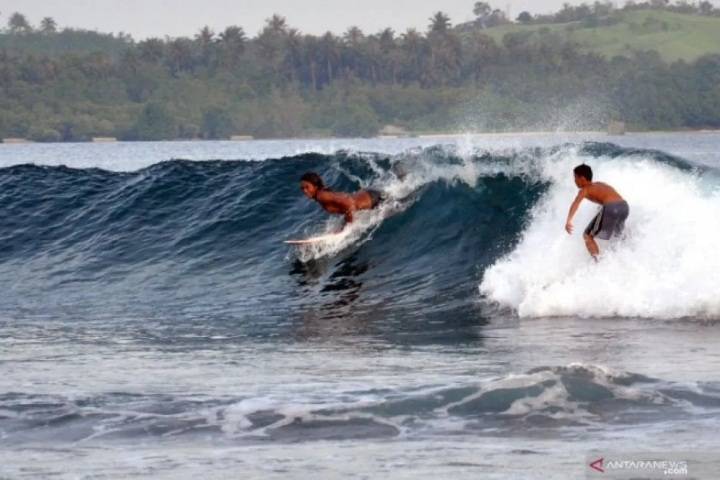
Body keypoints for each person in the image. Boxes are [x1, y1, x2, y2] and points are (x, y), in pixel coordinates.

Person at [565, 164, 629, 260]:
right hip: (624, 207)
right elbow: (608, 197)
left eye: (575, 177)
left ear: (582, 178)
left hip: (610, 208)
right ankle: (628, 252)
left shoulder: (584, 190)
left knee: (587, 235)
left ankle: (598, 262)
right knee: (618, 235)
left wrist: (568, 220)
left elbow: (575, 203)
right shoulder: (601, 184)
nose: (574, 181)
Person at [300, 172, 383, 227]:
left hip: (372, 199)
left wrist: (350, 226)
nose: (304, 191)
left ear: (315, 186)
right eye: (302, 188)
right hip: (368, 195)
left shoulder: (321, 196)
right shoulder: (321, 194)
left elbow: (349, 203)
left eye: (307, 187)